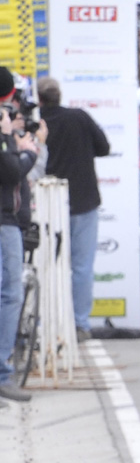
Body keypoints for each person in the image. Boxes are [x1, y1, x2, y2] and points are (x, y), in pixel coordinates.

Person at [38, 78, 111, 340]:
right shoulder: (79, 117)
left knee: (46, 265)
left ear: (40, 100)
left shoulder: (38, 124)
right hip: (84, 200)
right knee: (82, 267)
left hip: (48, 204)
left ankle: (45, 322)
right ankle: (80, 324)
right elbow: (104, 147)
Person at [0, 96, 41, 401]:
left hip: (10, 221)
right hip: (4, 222)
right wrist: (28, 151)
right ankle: (2, 374)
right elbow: (12, 171)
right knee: (9, 295)